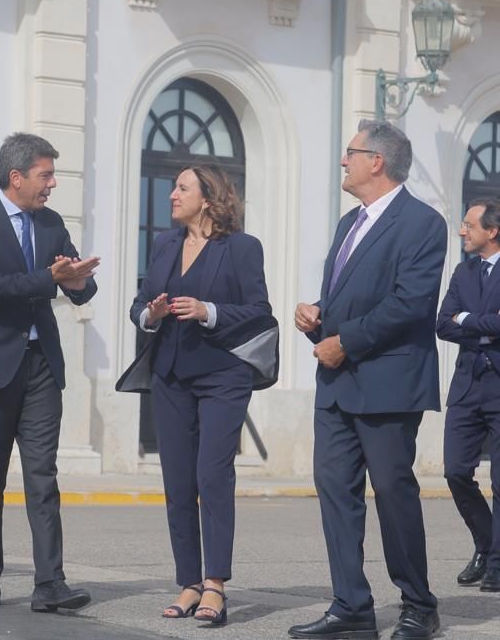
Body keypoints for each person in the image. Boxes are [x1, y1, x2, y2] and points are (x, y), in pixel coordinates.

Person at [289, 120, 446, 640]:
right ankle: (351, 605)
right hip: (336, 382)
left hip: (386, 382)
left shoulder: (423, 223)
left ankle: (418, 605)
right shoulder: (347, 224)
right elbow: (347, 292)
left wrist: (346, 340)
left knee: (392, 492)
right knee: (335, 491)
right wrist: (318, 312)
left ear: (376, 161)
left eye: (350, 153)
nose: (343, 161)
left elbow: (411, 302)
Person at [0, 132, 99, 613]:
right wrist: (50, 279)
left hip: (38, 367)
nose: (53, 184)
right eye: (45, 175)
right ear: (16, 178)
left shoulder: (52, 222)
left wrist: (80, 281)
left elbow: (77, 286)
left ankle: (49, 584)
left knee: (42, 477)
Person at [128, 164, 273, 627]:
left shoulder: (242, 248)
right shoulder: (164, 244)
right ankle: (188, 583)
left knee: (212, 477)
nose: (171, 194)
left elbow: (258, 311)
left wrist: (208, 311)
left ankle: (215, 585)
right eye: (173, 186)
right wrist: (149, 314)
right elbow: (141, 304)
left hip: (223, 376)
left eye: (182, 188)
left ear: (209, 199)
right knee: (177, 484)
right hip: (171, 375)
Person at [436, 197, 500, 593]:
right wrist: (487, 326)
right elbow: (443, 323)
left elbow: (461, 321)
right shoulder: (463, 271)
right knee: (456, 471)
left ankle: (496, 563)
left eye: (469, 225)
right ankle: (487, 543)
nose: (462, 231)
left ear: (492, 231)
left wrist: (468, 321)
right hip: (466, 386)